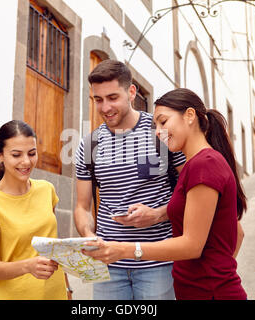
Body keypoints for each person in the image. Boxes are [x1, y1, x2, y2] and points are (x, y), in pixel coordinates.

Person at [83, 88, 247, 300]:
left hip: (211, 293)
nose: (159, 132)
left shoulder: (204, 165)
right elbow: (238, 232)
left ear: (189, 116)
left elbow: (191, 245)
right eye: (155, 126)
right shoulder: (195, 165)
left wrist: (124, 250)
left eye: (163, 121)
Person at [74, 59, 186, 300]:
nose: (105, 107)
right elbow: (82, 206)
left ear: (131, 92)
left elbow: (192, 191)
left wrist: (158, 214)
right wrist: (87, 234)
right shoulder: (89, 144)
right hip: (107, 267)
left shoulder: (160, 131)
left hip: (157, 263)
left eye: (112, 97)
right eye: (98, 99)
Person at [0, 120, 72, 300]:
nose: (26, 162)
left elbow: (53, 247)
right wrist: (28, 266)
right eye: (16, 155)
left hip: (55, 294)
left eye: (32, 153)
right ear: (0, 155)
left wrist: (68, 289)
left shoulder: (47, 190)